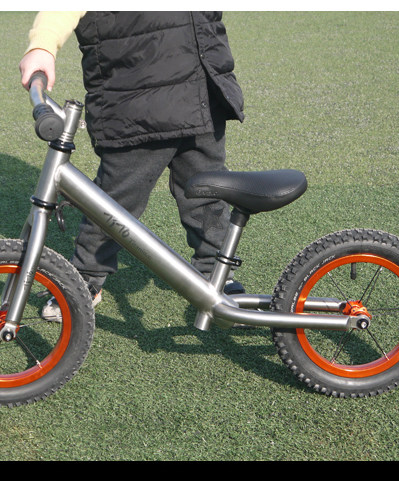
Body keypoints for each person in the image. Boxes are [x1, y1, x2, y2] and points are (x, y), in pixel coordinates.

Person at [19, 11, 246, 321]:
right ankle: (85, 278)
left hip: (202, 89)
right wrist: (42, 45)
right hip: (136, 100)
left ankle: (216, 272)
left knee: (209, 193)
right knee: (113, 202)